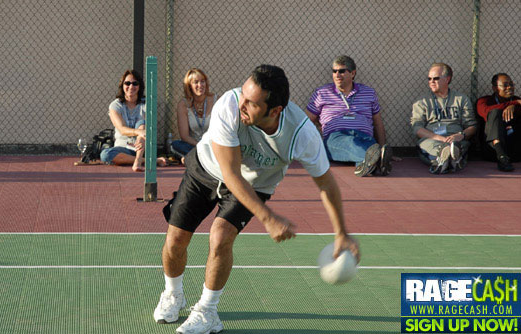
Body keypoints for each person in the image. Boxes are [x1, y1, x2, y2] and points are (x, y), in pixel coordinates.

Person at [153, 65, 360, 334]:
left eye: (252, 103)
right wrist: (268, 218)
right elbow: (230, 172)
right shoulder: (229, 104)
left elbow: (326, 184)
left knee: (220, 236)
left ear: (274, 111)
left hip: (254, 184)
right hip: (206, 168)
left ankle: (207, 311)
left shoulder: (302, 134)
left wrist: (341, 233)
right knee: (176, 239)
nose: (243, 104)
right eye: (244, 95)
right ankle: (173, 293)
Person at [305, 55, 391, 177]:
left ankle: (367, 165)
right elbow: (307, 121)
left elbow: (377, 122)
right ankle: (377, 161)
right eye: (334, 71)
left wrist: (382, 146)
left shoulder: (368, 92)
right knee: (351, 143)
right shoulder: (322, 93)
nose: (337, 75)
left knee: (366, 144)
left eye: (341, 71)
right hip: (336, 137)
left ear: (353, 73)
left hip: (364, 135)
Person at [410, 63, 477, 174]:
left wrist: (461, 135)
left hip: (455, 139)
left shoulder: (461, 99)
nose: (431, 81)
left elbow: (472, 126)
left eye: (436, 78)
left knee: (458, 146)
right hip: (433, 139)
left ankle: (445, 160)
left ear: (447, 79)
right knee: (434, 148)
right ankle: (447, 159)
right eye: (429, 79)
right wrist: (438, 138)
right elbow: (417, 128)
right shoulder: (422, 101)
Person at [100, 70, 166, 171]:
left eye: (135, 83)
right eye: (127, 83)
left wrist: (140, 135)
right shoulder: (115, 105)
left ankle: (138, 160)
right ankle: (148, 161)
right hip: (124, 149)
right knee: (105, 155)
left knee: (142, 123)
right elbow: (122, 129)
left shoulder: (146, 104)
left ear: (140, 86)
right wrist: (138, 132)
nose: (131, 87)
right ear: (122, 85)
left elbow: (145, 125)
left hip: (143, 147)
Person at [476, 73, 521, 172]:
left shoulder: (517, 101)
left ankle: (505, 157)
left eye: (511, 84)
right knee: (495, 112)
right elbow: (485, 111)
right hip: (493, 151)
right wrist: (513, 104)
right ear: (495, 88)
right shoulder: (484, 100)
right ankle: (502, 157)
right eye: (505, 85)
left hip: (515, 150)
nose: (509, 87)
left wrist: (514, 106)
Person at [171, 68, 217, 162]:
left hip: (213, 145)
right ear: (189, 86)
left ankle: (193, 158)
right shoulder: (183, 104)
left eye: (202, 81)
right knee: (175, 145)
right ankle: (201, 158)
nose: (200, 85)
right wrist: (200, 146)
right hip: (194, 145)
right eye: (196, 82)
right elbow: (184, 136)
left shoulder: (216, 100)